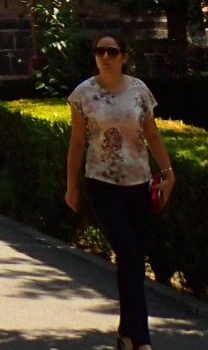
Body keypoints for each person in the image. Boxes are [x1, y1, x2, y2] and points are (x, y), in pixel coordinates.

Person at [65, 32, 174, 350]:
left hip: (138, 182)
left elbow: (152, 135)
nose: (106, 57)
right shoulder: (83, 95)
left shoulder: (139, 91)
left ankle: (126, 333)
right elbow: (76, 142)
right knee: (128, 254)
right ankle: (141, 340)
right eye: (100, 51)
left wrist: (168, 174)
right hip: (102, 184)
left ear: (124, 56)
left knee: (135, 260)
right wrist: (71, 185)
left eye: (112, 51)